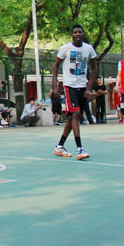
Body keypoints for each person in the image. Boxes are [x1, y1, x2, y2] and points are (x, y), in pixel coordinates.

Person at [51, 24, 97, 160]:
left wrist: (89, 87)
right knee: (76, 114)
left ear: (83, 34)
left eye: (80, 32)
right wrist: (55, 86)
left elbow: (94, 68)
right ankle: (79, 148)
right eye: (75, 32)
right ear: (72, 35)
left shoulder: (88, 49)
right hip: (69, 86)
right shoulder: (65, 48)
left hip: (82, 86)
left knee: (72, 118)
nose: (78, 34)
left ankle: (59, 146)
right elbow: (55, 66)